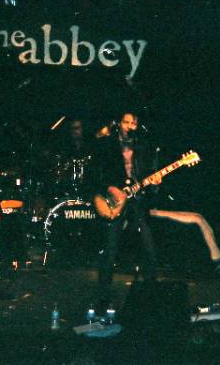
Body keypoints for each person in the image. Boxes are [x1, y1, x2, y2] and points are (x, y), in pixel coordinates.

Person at [94, 111, 160, 308]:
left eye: (133, 123)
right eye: (126, 122)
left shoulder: (142, 145)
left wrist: (155, 181)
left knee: (149, 242)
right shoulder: (107, 143)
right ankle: (103, 293)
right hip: (114, 197)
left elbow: (149, 173)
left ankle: (151, 290)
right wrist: (111, 188)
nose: (129, 126)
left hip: (137, 197)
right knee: (110, 245)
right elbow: (99, 171)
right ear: (119, 123)